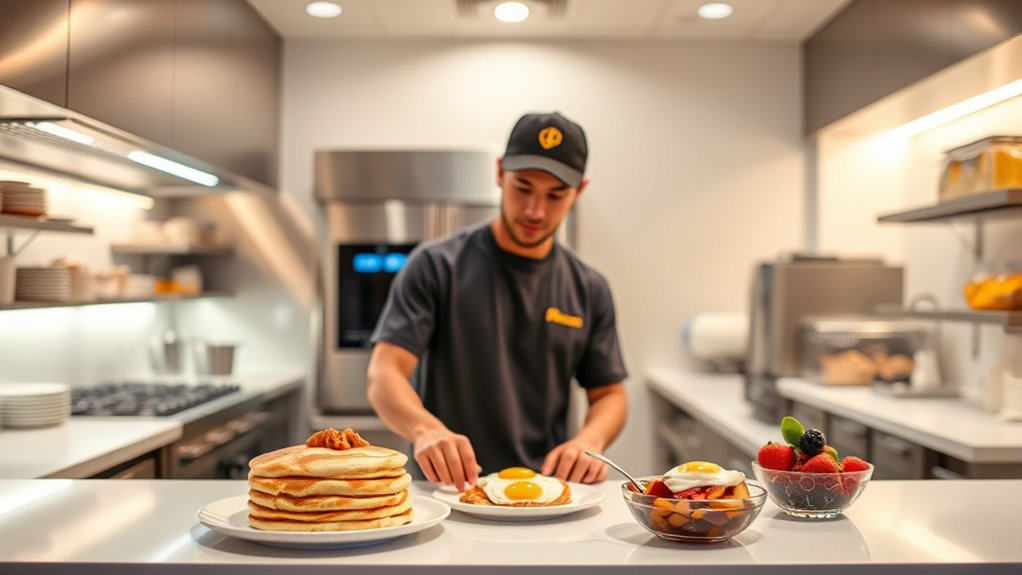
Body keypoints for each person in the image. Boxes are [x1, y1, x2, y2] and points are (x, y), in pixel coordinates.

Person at [366, 111, 628, 490]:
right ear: (499, 172)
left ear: (579, 191)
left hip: (544, 495)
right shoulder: (436, 265)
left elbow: (610, 394)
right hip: (448, 493)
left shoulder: (590, 288)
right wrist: (426, 430)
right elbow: (383, 373)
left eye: (555, 195)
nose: (535, 211)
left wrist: (591, 440)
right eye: (523, 187)